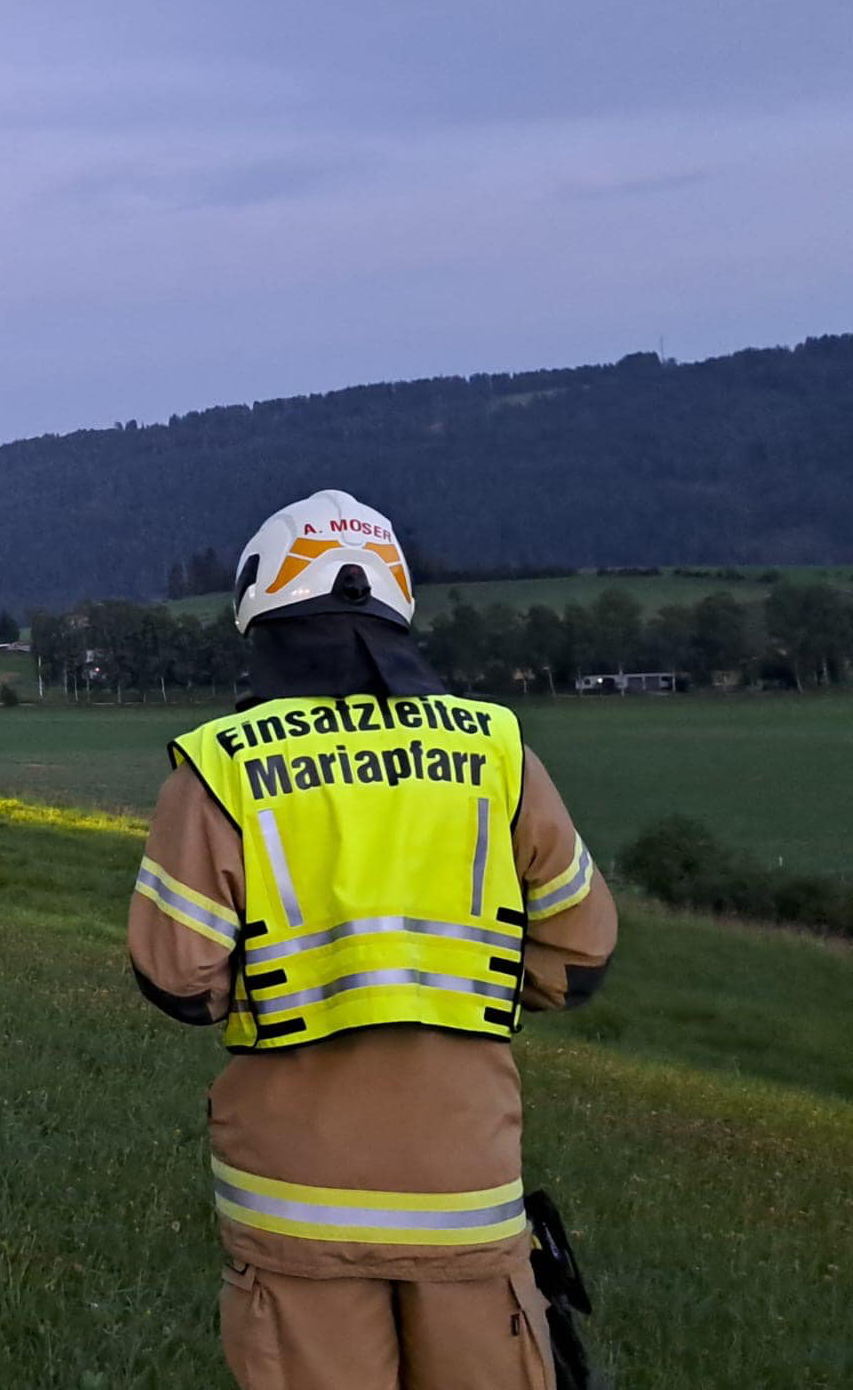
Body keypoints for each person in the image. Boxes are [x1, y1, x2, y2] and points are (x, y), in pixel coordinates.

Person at [127, 490, 617, 1390]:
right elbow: (580, 954)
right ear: (394, 607)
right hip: (465, 1187)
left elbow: (176, 979)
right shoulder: (499, 752)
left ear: (261, 610)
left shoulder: (222, 764)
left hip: (295, 1199)